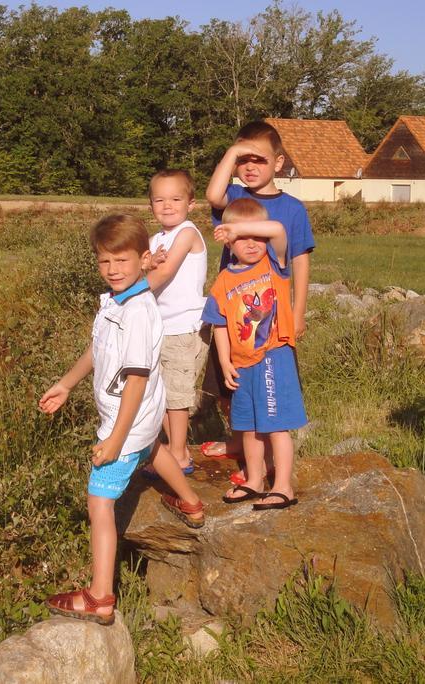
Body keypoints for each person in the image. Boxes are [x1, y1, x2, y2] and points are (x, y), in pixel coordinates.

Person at [39, 214, 205, 625]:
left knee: (99, 503)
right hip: (143, 423)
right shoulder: (117, 301)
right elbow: (98, 350)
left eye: (122, 261)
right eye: (104, 262)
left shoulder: (136, 311)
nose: (112, 270)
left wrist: (114, 439)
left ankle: (100, 596)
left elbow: (135, 379)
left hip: (126, 420)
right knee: (154, 449)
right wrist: (66, 383)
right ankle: (192, 503)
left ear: (143, 259)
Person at [201, 120, 316, 482]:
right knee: (226, 383)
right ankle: (239, 442)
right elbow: (212, 195)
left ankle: (266, 459)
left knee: (268, 386)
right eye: (242, 160)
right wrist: (232, 152)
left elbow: (299, 259)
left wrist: (298, 311)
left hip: (272, 319)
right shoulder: (235, 198)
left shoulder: (292, 209)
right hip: (234, 312)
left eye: (259, 160)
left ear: (278, 163)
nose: (250, 167)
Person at [201, 198, 307, 510]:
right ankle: (255, 479)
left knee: (275, 425)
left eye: (256, 237)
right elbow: (219, 323)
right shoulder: (223, 281)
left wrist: (237, 227)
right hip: (241, 363)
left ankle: (283, 486)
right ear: (227, 242)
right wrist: (223, 361)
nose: (251, 244)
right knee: (247, 426)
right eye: (241, 239)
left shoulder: (274, 264)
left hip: (273, 356)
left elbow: (276, 228)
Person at [140, 169, 208, 478]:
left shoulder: (188, 233)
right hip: (161, 326)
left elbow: (164, 274)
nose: (167, 206)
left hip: (184, 327)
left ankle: (179, 454)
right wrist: (146, 263)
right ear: (151, 204)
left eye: (176, 199)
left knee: (178, 396)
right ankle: (171, 447)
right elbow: (146, 266)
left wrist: (129, 293)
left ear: (191, 203)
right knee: (162, 392)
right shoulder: (157, 238)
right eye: (159, 200)